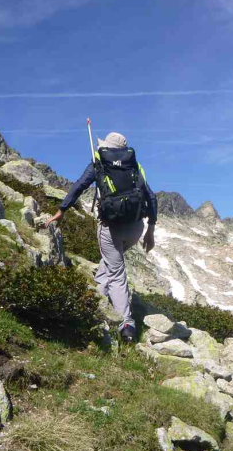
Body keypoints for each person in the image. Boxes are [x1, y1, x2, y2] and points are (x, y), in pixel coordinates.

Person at [44, 131, 157, 342]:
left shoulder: (99, 164)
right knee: (111, 260)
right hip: (135, 227)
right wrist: (150, 230)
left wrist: (61, 210)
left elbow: (79, 185)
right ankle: (99, 295)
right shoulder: (134, 166)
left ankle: (126, 324)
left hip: (110, 227)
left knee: (116, 272)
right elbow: (151, 197)